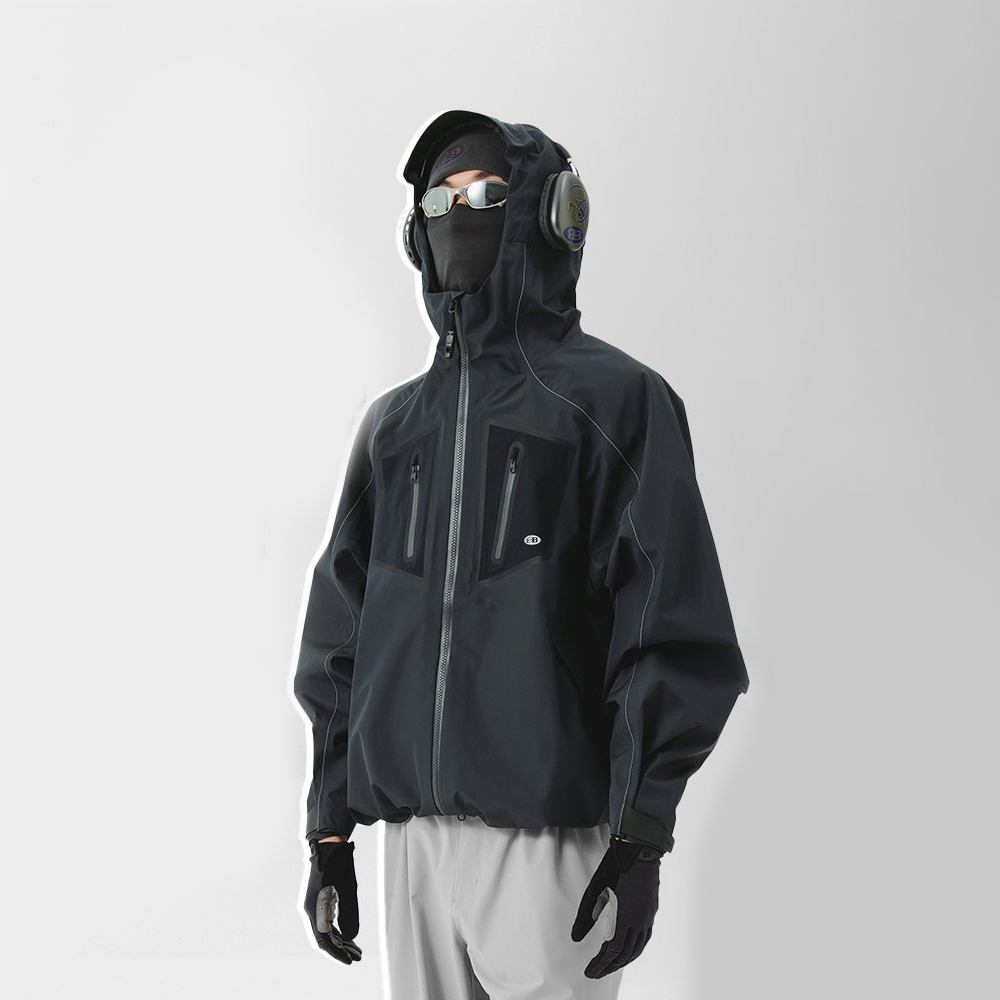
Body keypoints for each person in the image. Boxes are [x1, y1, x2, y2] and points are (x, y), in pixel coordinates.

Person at [293, 109, 750, 999]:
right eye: (441, 200)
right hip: (413, 848)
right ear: (414, 233)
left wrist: (640, 835)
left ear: (549, 215)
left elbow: (672, 629)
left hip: (550, 846)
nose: (459, 215)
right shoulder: (393, 427)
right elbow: (338, 641)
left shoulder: (617, 403)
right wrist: (329, 831)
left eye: (487, 194)